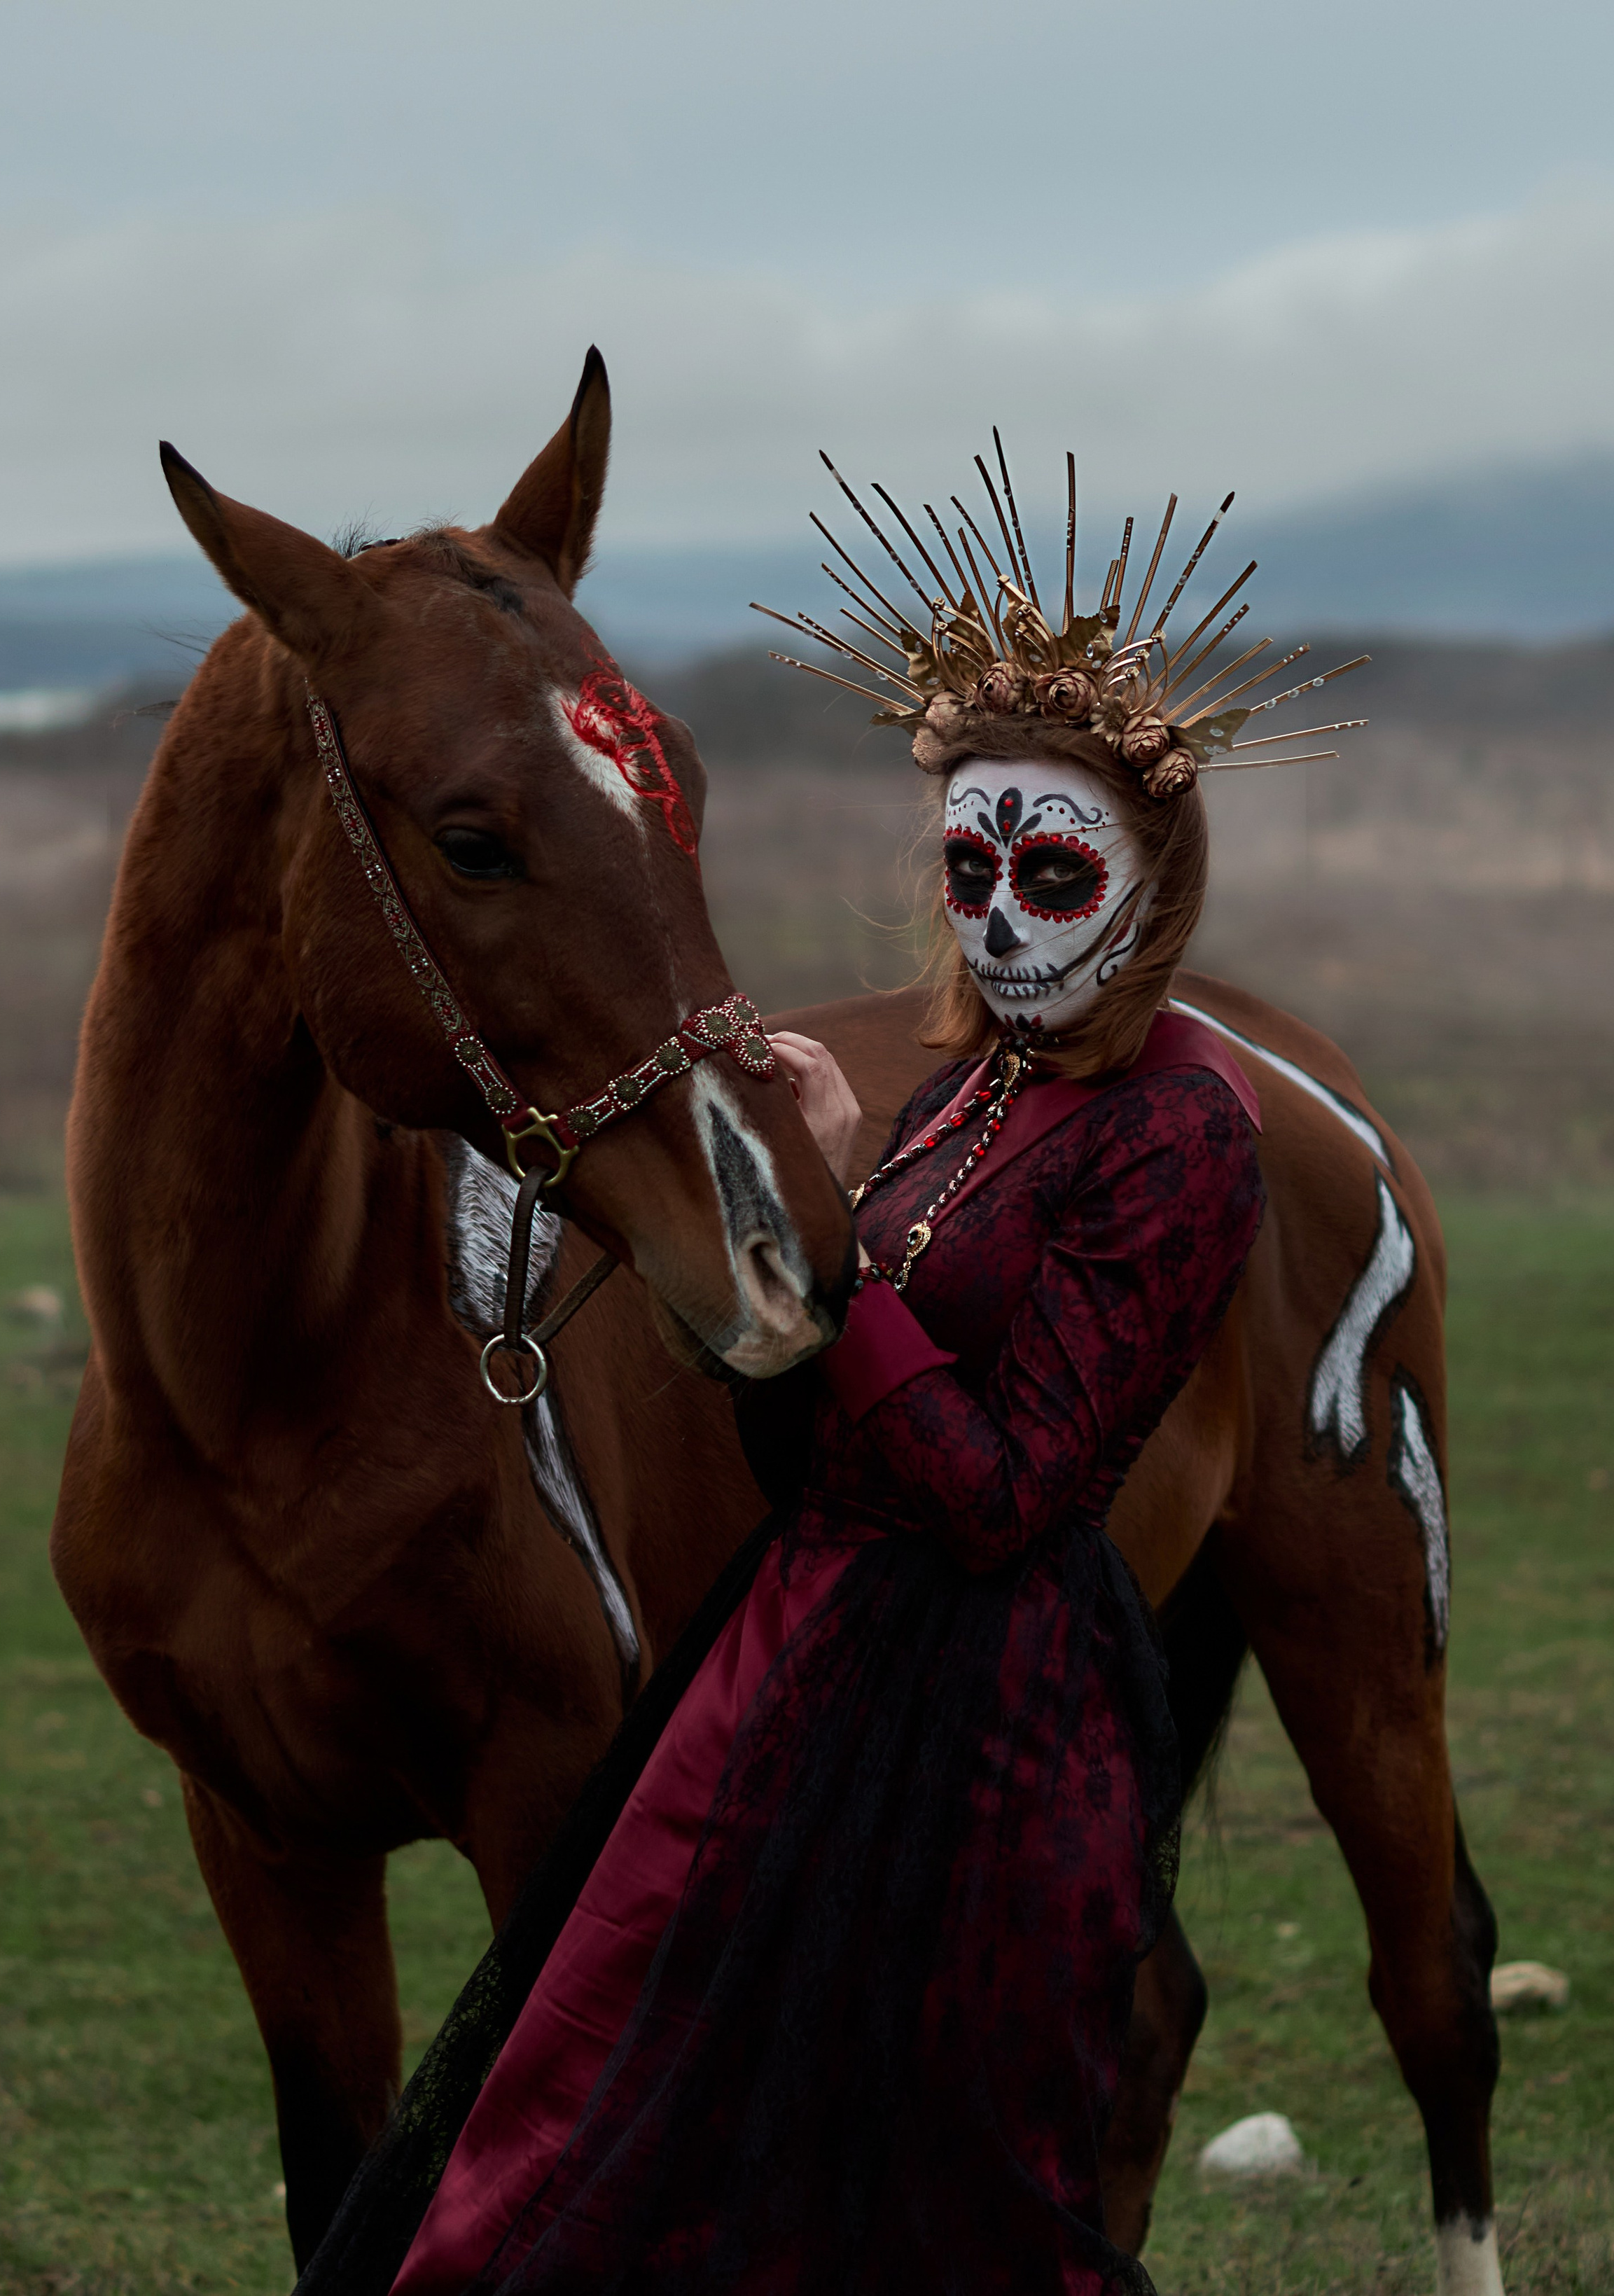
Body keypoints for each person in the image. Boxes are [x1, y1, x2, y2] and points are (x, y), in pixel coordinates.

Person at [302, 450, 1368, 2295]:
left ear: (1150, 882)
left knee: (930, 2182)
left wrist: (848, 1277)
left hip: (992, 1731)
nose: (1003, 915)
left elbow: (1009, 1494)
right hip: (802, 1662)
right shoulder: (967, 1093)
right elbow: (825, 1450)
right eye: (971, 866)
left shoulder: (1182, 1128)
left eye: (1054, 871)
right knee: (637, 2126)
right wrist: (811, 1198)